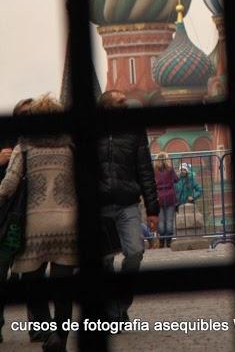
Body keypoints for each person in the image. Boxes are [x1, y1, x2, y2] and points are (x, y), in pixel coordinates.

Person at [0, 95, 77, 352]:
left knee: (33, 283)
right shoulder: (71, 148)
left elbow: (8, 186)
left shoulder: (24, 148)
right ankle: (60, 339)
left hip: (34, 225)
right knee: (63, 287)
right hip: (67, 223)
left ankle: (46, 332)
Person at [97, 90, 159, 322]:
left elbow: (145, 170)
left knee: (134, 253)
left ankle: (120, 302)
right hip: (100, 206)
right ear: (106, 106)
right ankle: (113, 313)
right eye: (120, 101)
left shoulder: (134, 129)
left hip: (128, 204)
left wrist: (153, 209)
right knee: (104, 261)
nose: (126, 103)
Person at [0, 98, 33, 343]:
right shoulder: (6, 139)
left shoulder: (41, 141)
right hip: (4, 214)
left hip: (32, 212)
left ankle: (39, 325)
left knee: (32, 272)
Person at [153, 153, 178, 247]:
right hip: (170, 197)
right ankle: (168, 241)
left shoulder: (154, 170)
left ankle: (161, 241)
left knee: (161, 220)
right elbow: (176, 179)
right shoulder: (170, 169)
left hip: (158, 197)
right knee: (169, 220)